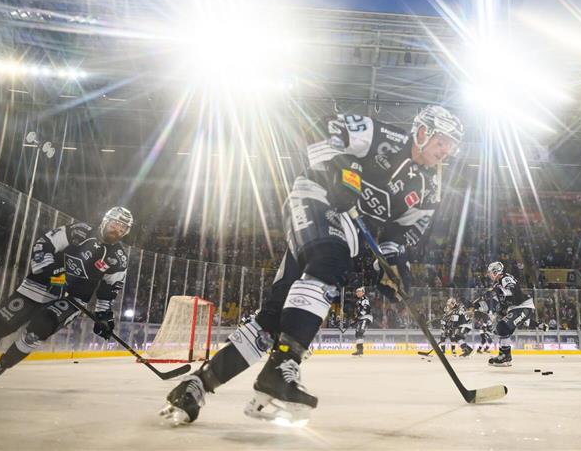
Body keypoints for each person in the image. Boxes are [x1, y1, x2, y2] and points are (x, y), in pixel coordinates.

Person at [160, 106, 463, 426]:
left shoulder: (429, 189)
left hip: (345, 228)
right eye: (442, 142)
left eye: (451, 146)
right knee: (330, 261)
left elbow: (400, 233)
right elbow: (318, 127)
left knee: (274, 320)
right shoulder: (382, 135)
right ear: (421, 133)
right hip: (315, 198)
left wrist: (390, 266)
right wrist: (342, 174)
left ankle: (196, 385)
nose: (447, 151)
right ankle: (282, 366)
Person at [0, 207, 132, 385]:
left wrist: (104, 317)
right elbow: (45, 244)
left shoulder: (119, 258)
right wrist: (49, 271)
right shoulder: (80, 231)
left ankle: (1, 365)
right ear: (106, 220)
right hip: (40, 285)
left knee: (34, 335)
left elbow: (109, 290)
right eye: (115, 223)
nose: (117, 229)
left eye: (122, 228)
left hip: (72, 300)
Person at [486, 261, 534, 367]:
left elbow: (512, 292)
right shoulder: (498, 283)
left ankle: (504, 356)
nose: (489, 275)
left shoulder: (504, 279)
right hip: (517, 307)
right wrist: (500, 311)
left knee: (502, 326)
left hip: (523, 306)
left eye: (490, 272)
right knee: (503, 328)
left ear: (495, 272)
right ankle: (505, 356)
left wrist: (503, 303)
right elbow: (505, 300)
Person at [351, 287, 373, 356]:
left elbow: (366, 309)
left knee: (360, 332)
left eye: (359, 292)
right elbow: (358, 313)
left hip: (366, 317)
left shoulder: (365, 299)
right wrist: (355, 320)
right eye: (357, 292)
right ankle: (359, 350)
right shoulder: (359, 301)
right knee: (357, 334)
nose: (357, 293)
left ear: (363, 292)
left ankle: (360, 350)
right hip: (361, 318)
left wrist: (357, 317)